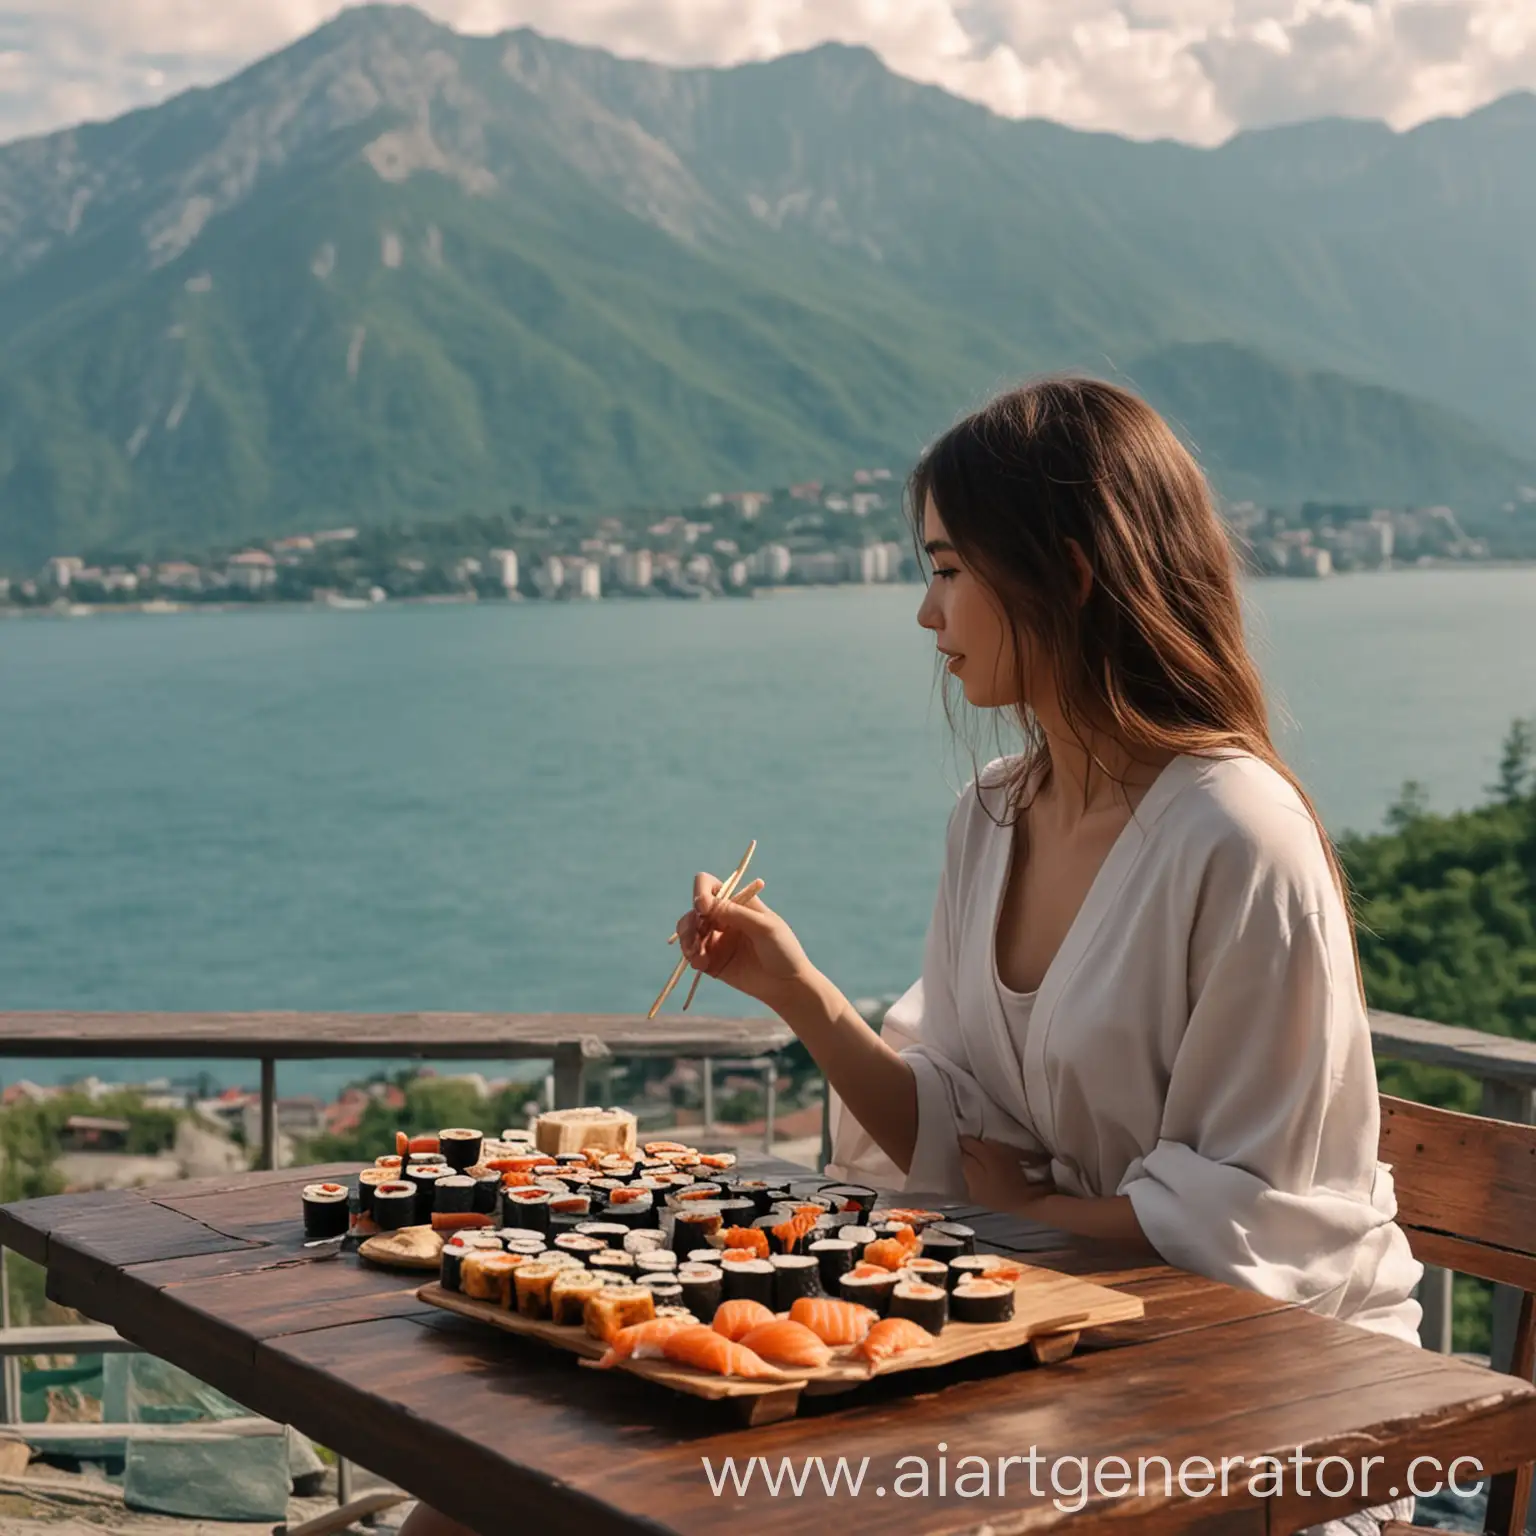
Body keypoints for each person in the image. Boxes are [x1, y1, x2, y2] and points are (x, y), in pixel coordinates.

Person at [671, 377, 1422, 1536]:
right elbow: (953, 1134)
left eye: (948, 569)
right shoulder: (994, 814)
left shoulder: (1239, 835)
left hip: (1280, 1423)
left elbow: (1258, 1225)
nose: (928, 615)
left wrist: (1020, 1211)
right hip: (1069, 1366)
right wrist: (798, 992)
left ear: (1066, 574)